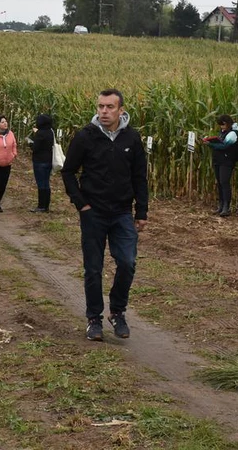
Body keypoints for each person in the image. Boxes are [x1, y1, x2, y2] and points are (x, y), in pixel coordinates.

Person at [62, 89, 148, 342]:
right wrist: (81, 204)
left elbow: (139, 177)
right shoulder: (85, 137)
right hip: (94, 213)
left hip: (122, 212)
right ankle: (94, 319)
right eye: (100, 106)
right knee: (93, 268)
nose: (104, 112)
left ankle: (117, 312)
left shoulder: (132, 139)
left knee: (127, 262)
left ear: (121, 110)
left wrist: (141, 210)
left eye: (110, 107)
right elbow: (68, 172)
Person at [203, 114, 238, 217]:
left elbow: (225, 146)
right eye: (220, 125)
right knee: (220, 183)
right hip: (218, 161)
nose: (222, 127)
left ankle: (226, 207)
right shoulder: (223, 132)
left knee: (224, 182)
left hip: (227, 162)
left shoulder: (233, 134)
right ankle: (220, 205)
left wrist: (211, 144)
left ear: (228, 123)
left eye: (223, 125)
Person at [29, 113, 55, 212]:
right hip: (48, 160)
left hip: (39, 161)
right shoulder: (50, 131)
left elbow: (35, 148)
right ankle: (46, 206)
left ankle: (41, 206)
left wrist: (31, 143)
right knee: (46, 183)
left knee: (41, 184)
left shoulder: (40, 133)